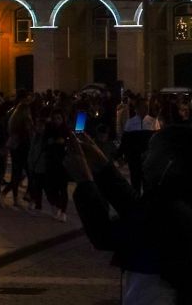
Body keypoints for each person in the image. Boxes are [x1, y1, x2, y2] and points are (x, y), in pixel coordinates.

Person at [68, 127, 192, 302]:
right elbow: (135, 208)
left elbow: (105, 235)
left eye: (151, 151)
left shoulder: (171, 209)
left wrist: (84, 181)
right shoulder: (173, 195)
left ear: (169, 162)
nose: (143, 155)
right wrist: (103, 167)